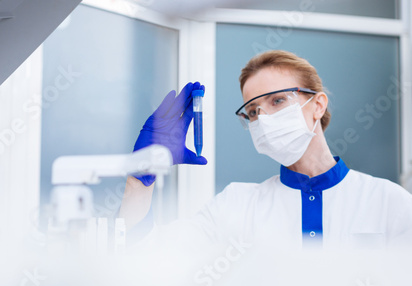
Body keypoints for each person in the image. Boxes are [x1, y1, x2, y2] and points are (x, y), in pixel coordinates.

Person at [119, 50, 412, 250]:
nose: (265, 119)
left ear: (317, 105)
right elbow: (144, 251)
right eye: (254, 111)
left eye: (277, 101)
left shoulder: (389, 203)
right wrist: (140, 180)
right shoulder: (236, 206)